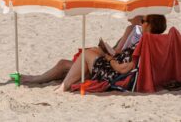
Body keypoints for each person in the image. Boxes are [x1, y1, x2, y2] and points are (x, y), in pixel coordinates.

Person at [21, 15, 167, 93]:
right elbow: (122, 55)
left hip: (116, 75)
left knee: (86, 54)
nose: (141, 22)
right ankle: (36, 79)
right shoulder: (147, 43)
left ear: (150, 25)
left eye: (143, 20)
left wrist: (108, 58)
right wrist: (107, 53)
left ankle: (63, 87)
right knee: (64, 63)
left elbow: (123, 69)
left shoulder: (144, 44)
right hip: (114, 67)